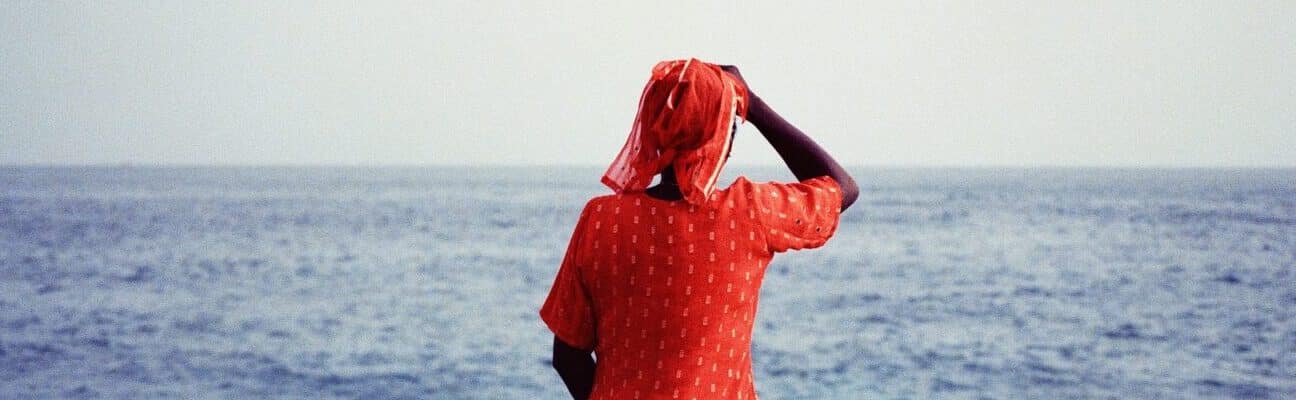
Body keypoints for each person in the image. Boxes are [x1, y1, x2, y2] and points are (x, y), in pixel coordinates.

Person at [540, 58, 859, 400]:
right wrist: (753, 105)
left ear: (651, 128)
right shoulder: (749, 211)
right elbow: (842, 187)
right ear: (724, 138)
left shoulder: (602, 220)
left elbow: (568, 356)